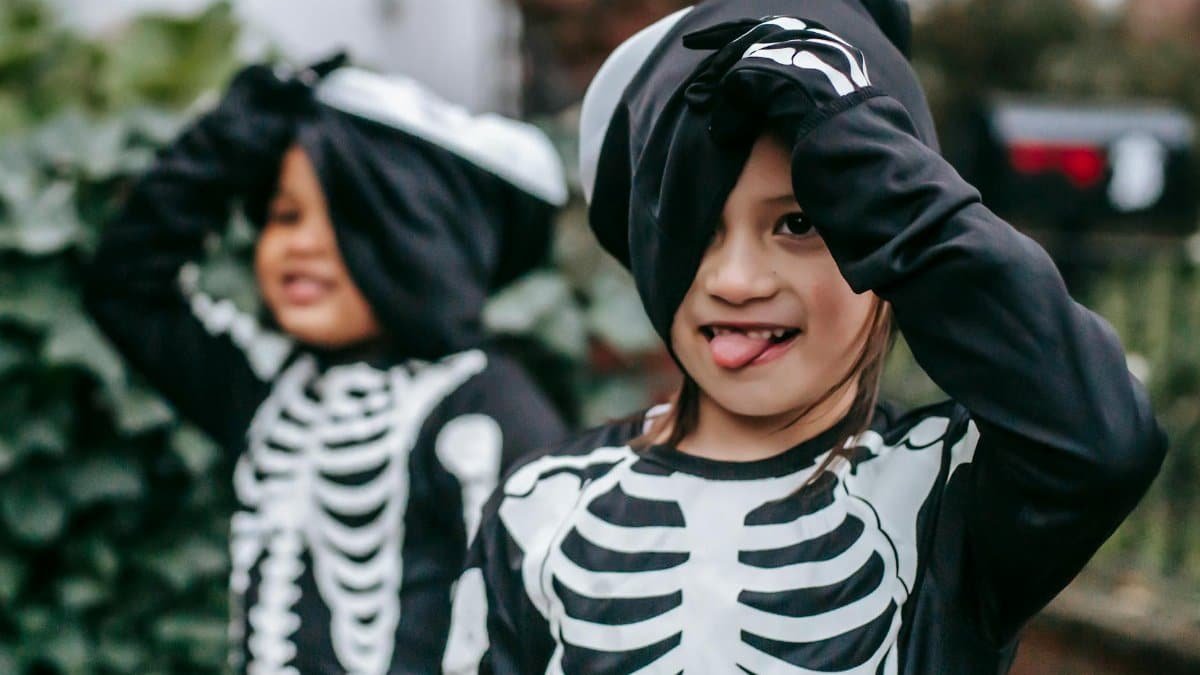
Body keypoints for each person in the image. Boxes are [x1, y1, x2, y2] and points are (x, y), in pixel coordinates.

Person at [443, 1, 1167, 672]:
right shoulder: (539, 507)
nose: (735, 280)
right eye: (697, 223)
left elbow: (1103, 440)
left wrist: (854, 142)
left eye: (800, 222)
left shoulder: (949, 492)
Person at [84, 58, 569, 674]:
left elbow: (541, 628)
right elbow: (127, 286)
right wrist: (235, 132)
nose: (300, 245)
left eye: (344, 219)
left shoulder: (487, 409)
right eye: (283, 216)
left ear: (420, 238)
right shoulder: (268, 388)